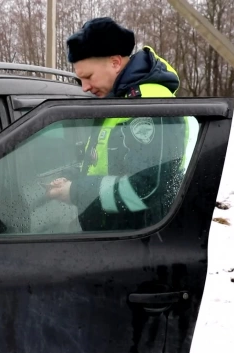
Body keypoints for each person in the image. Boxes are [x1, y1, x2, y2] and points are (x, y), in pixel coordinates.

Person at [45, 17, 191, 231]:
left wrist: (76, 191)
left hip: (139, 239)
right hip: (116, 235)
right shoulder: (120, 99)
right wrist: (73, 179)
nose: (84, 87)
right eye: (80, 80)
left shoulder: (148, 105)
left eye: (88, 76)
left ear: (115, 63)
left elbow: (148, 188)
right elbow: (107, 164)